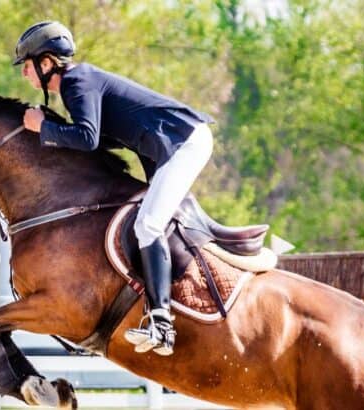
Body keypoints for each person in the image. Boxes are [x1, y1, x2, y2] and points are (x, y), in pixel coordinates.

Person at [14, 21, 214, 356]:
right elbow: (97, 141)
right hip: (172, 145)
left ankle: (162, 324)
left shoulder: (77, 81)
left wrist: (43, 127)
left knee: (148, 225)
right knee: (148, 221)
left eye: (27, 65)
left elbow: (87, 138)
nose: (24, 73)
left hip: (184, 142)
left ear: (46, 63)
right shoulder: (77, 84)